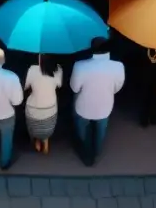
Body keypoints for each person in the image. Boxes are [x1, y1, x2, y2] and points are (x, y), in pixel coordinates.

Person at [69, 38, 125, 166]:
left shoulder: (80, 65)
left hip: (83, 107)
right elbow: (117, 88)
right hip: (105, 107)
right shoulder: (118, 66)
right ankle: (97, 150)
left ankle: (85, 150)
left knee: (82, 129)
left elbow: (74, 88)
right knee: (101, 131)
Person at [24, 54, 62, 154]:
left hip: (33, 107)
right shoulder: (58, 69)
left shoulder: (32, 69)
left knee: (34, 125)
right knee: (47, 125)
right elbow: (59, 84)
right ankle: (45, 142)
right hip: (50, 107)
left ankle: (37, 141)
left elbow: (26, 86)